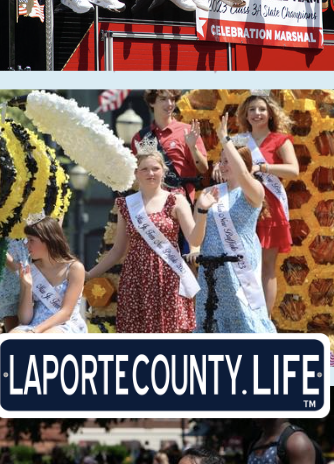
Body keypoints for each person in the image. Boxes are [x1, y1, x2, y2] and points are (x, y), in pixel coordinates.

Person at [90, 145, 198, 333]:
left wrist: (202, 213)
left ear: (163, 171)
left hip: (168, 275)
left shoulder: (176, 200)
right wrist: (90, 274)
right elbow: (117, 250)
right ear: (136, 173)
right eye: (145, 169)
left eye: (155, 168)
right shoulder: (127, 205)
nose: (150, 173)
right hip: (135, 277)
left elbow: (194, 238)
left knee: (170, 330)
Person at [187, 116, 277, 334]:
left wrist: (225, 139)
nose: (222, 164)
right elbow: (195, 240)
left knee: (245, 323)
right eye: (221, 159)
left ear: (242, 163)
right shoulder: (210, 193)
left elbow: (244, 175)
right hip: (212, 271)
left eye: (229, 160)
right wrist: (202, 210)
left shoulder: (253, 191)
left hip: (240, 269)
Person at [231, 93, 297, 312]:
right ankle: (245, 317)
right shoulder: (238, 141)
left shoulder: (280, 140)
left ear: (270, 114)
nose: (256, 114)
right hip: (243, 205)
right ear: (245, 115)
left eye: (261, 109)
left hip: (271, 207)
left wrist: (262, 168)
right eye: (251, 110)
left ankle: (264, 321)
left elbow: (293, 170)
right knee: (245, 264)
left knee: (267, 266)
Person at [4, 214, 88, 333]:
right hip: (36, 324)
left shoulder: (74, 268)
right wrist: (26, 286)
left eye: (31, 240)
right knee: (11, 336)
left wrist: (36, 332)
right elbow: (25, 319)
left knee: (47, 338)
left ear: (48, 240)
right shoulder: (31, 270)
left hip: (65, 325)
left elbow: (66, 313)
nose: (26, 245)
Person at [131, 89, 211, 201]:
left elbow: (203, 168)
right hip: (151, 203)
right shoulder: (140, 137)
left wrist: (193, 148)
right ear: (152, 102)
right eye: (163, 99)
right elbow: (135, 175)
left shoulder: (188, 131)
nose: (169, 104)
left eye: (172, 99)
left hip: (180, 203)